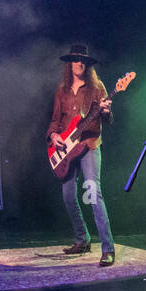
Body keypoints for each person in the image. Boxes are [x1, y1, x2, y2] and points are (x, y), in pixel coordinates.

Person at [48, 44, 116, 266]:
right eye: (75, 60)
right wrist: (54, 135)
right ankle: (82, 239)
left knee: (93, 193)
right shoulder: (62, 90)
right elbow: (55, 120)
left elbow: (107, 119)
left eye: (83, 60)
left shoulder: (97, 88)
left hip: (89, 144)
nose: (79, 63)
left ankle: (107, 249)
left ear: (87, 64)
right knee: (68, 196)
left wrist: (106, 112)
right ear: (70, 63)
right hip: (66, 149)